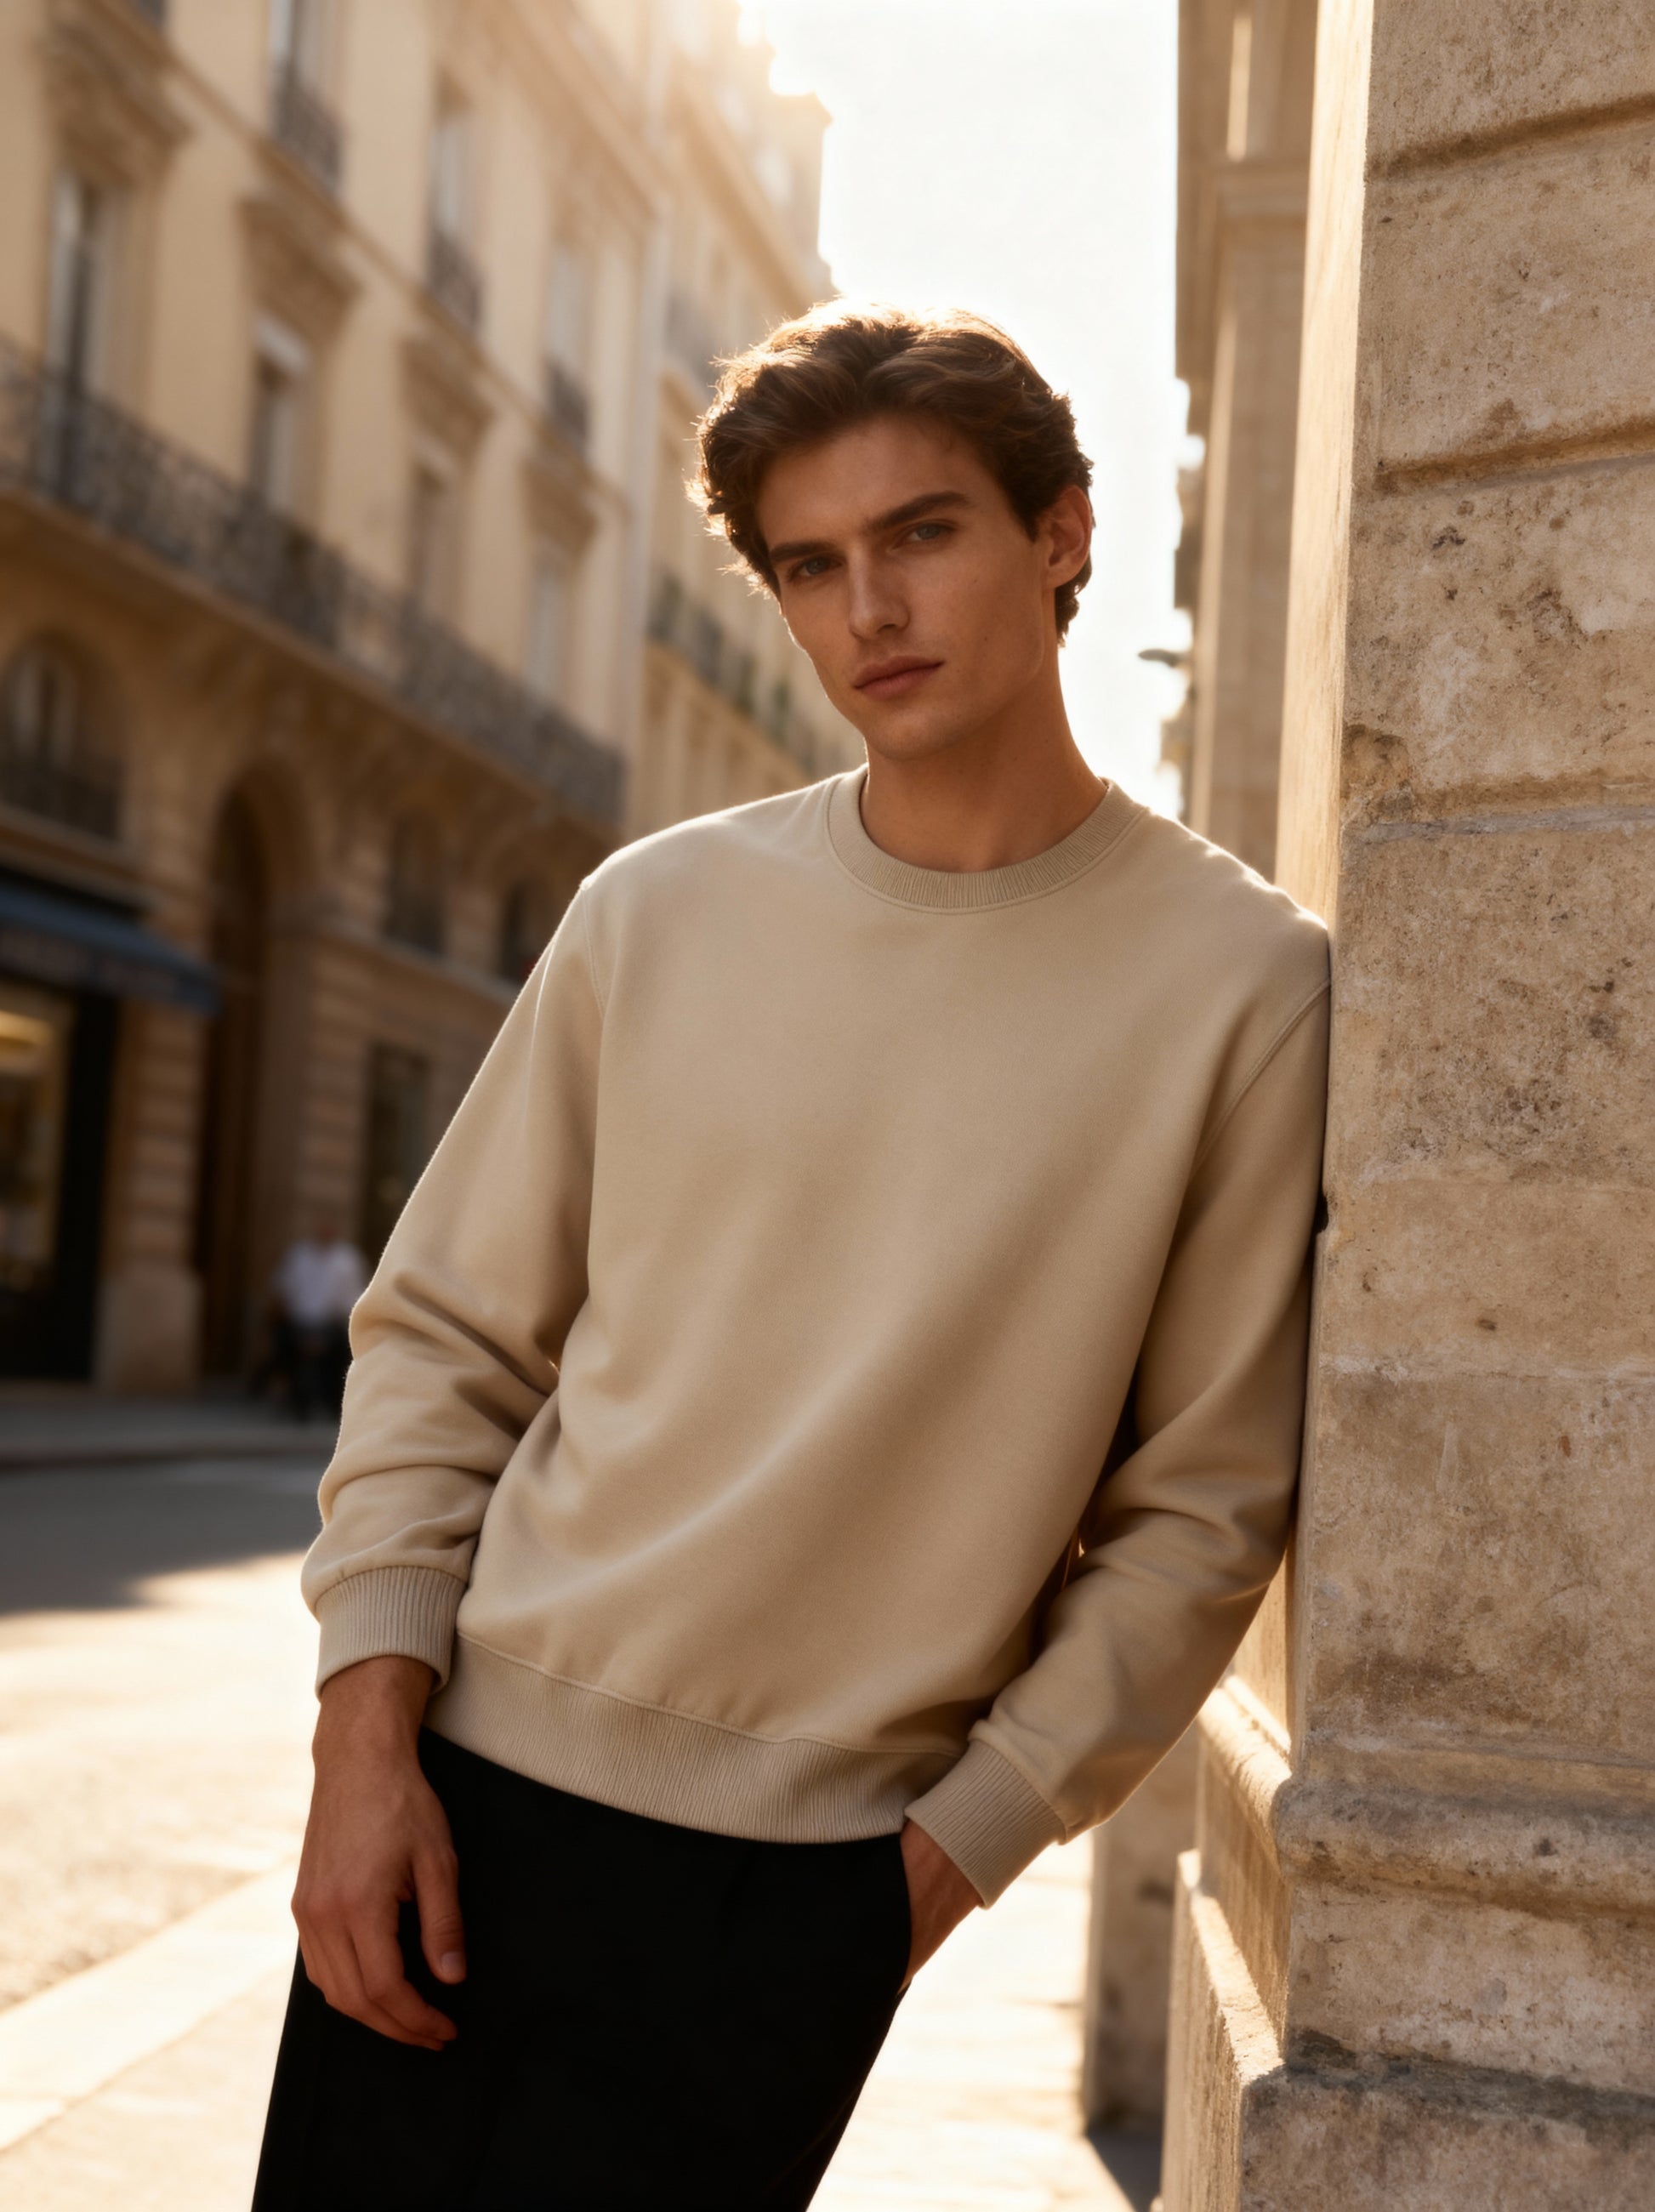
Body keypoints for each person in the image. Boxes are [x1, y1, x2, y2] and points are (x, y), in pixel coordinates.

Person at [254, 304, 1329, 2210]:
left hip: (811, 1882)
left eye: (922, 533)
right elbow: (442, 1342)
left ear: (1062, 534)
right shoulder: (654, 912)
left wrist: (942, 1853)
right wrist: (365, 1731)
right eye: (811, 567)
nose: (867, 614)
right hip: (466, 1799)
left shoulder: (1241, 985)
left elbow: (1203, 1501)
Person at [267, 1217, 367, 1422]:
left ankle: (334, 1404)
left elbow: (353, 1297)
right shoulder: (299, 1255)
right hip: (299, 1323)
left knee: (339, 1356)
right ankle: (295, 1403)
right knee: (284, 1349)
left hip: (332, 1324)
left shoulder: (347, 1259)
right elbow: (282, 1290)